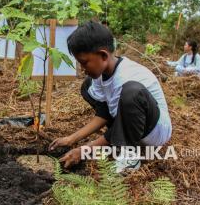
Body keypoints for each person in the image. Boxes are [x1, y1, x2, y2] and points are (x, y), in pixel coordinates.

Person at [49, 21, 172, 173]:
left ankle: (130, 157)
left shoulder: (125, 79)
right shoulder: (102, 74)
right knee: (87, 86)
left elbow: (118, 124)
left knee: (132, 92)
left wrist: (85, 150)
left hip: (154, 132)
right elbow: (105, 114)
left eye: (84, 63)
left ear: (103, 55)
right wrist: (71, 139)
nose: (82, 69)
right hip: (132, 122)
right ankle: (123, 141)